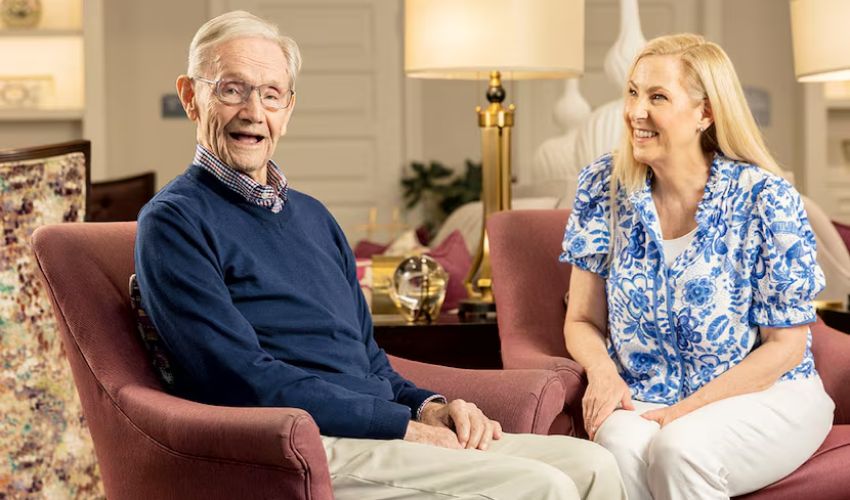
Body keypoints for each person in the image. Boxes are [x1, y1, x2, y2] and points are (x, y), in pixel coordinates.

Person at [134, 10, 626, 500]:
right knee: (542, 488)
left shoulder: (312, 216)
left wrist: (428, 407)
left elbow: (368, 358)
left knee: (593, 464)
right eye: (231, 89)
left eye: (271, 94)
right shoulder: (174, 222)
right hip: (296, 443)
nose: (253, 111)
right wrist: (401, 426)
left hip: (376, 431)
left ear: (288, 107)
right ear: (190, 97)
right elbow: (238, 378)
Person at [560, 33, 835, 500]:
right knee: (620, 447)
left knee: (680, 448)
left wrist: (688, 410)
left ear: (706, 112)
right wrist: (603, 372)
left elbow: (785, 346)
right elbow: (582, 319)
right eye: (632, 92)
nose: (635, 112)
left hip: (766, 395)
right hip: (644, 393)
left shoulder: (765, 197)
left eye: (657, 97)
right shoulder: (602, 186)